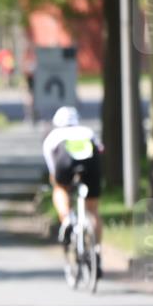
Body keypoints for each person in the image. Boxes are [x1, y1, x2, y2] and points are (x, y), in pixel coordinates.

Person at [42, 106, 104, 278]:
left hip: (64, 158)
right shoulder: (87, 131)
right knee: (93, 210)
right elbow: (100, 150)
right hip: (91, 162)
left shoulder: (53, 137)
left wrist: (58, 181)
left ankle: (67, 218)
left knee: (60, 188)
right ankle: (97, 251)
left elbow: (52, 169)